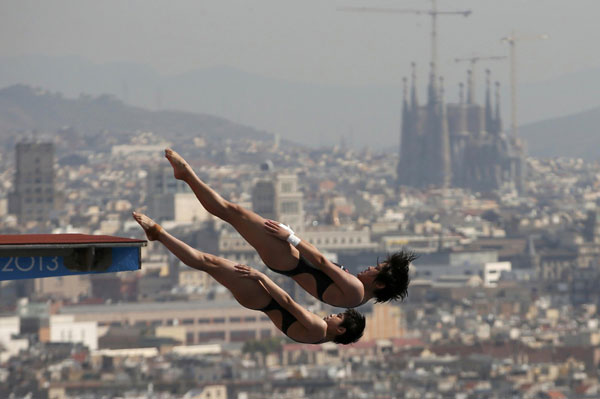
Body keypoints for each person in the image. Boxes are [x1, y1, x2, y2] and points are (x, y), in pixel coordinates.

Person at [163, 148, 416, 308]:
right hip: (286, 260)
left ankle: (186, 176)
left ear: (381, 284)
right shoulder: (356, 297)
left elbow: (321, 261)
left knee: (234, 212)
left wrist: (291, 237)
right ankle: (187, 177)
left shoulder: (356, 290)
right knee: (233, 213)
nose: (371, 267)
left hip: (287, 257)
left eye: (377, 269)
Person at [132, 212, 365, 345]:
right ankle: (159, 235)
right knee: (208, 263)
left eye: (339, 317)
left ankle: (159, 234)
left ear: (341, 330)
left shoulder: (318, 328)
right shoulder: (320, 336)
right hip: (260, 300)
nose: (333, 314)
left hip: (262, 296)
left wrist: (261, 276)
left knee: (208, 262)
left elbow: (287, 302)